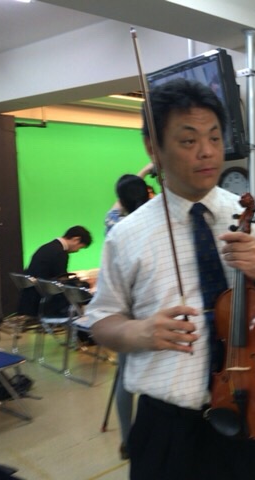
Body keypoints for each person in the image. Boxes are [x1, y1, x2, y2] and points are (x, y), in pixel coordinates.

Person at [86, 78, 255, 480]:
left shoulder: (254, 218)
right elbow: (101, 322)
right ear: (153, 149)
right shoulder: (126, 235)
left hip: (251, 410)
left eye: (214, 138)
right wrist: (139, 332)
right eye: (188, 140)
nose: (207, 151)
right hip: (168, 429)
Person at [104, 169, 152, 461]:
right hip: (152, 309)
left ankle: (126, 441)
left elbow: (116, 205)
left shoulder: (115, 225)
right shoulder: (154, 223)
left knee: (125, 378)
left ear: (121, 200)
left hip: (125, 315)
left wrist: (141, 173)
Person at [17, 225, 92, 317]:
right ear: (76, 240)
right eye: (79, 247)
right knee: (84, 291)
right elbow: (62, 280)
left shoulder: (47, 247)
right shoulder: (60, 253)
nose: (77, 251)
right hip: (43, 301)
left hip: (30, 297)